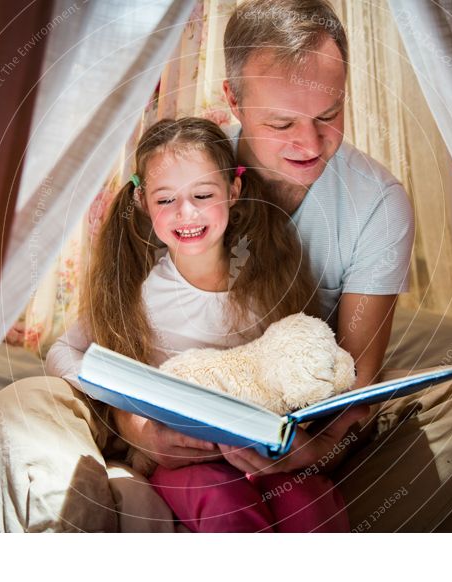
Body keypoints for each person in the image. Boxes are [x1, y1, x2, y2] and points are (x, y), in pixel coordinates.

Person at [0, 0, 452, 532]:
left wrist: (304, 457)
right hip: (155, 415)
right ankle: (87, 537)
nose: (309, 143)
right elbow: (107, 341)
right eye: (281, 121)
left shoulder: (376, 202)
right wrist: (138, 428)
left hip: (295, 433)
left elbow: (354, 384)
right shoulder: (186, 177)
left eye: (329, 114)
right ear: (233, 100)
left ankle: (296, 532)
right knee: (18, 405)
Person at [81, 116, 352, 532]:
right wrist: (135, 427)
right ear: (141, 202)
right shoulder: (141, 291)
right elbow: (68, 353)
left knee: (308, 501)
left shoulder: (267, 283)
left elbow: (290, 368)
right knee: (223, 502)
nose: (186, 213)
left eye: (203, 194)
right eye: (165, 199)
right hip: (188, 459)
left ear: (234, 191)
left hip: (260, 453)